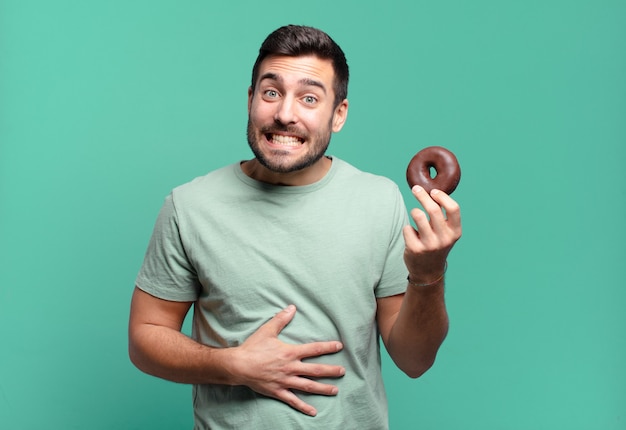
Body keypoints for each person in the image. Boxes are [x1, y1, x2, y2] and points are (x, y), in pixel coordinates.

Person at [129, 25, 462, 429]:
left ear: (338, 114)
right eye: (271, 92)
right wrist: (232, 365)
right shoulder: (189, 206)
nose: (285, 114)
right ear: (250, 100)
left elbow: (414, 359)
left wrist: (429, 274)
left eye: (309, 98)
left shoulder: (379, 200)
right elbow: (144, 338)